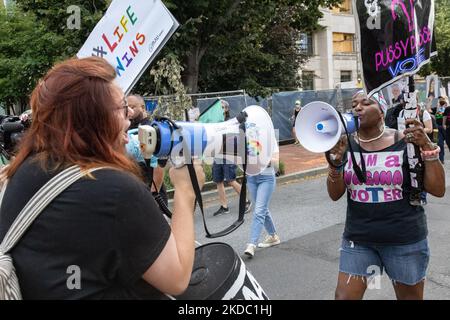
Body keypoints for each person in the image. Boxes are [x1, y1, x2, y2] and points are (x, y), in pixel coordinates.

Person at [0, 57, 205, 299]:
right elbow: (177, 277)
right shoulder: (114, 192)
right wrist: (185, 190)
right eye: (121, 106)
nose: (129, 114)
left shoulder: (22, 171)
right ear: (93, 119)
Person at [326, 90, 445, 300]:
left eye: (365, 103)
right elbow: (335, 195)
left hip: (404, 240)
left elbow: (438, 190)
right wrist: (335, 164)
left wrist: (426, 145)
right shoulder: (346, 144)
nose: (357, 108)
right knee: (343, 297)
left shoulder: (405, 141)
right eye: (354, 105)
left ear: (381, 110)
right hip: (359, 239)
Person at [244, 134, 281, 258]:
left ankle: (251, 244)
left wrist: (263, 159)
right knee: (262, 209)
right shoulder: (247, 139)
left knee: (259, 210)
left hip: (266, 178)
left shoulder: (270, 140)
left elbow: (276, 161)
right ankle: (273, 236)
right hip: (251, 178)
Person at [212, 100, 251, 216]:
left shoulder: (232, 122)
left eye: (223, 107)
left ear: (227, 109)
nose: (220, 110)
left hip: (229, 153)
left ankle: (246, 201)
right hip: (217, 153)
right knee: (218, 181)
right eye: (219, 108)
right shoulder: (215, 122)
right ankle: (224, 206)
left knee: (230, 180)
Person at [127, 94, 168, 206]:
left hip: (152, 193)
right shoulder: (127, 129)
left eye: (132, 107)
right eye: (127, 107)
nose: (129, 111)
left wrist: (153, 195)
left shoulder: (152, 128)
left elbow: (160, 166)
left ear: (143, 107)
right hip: (135, 192)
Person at [431, 96, 447, 164]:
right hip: (438, 127)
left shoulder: (447, 108)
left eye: (442, 100)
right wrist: (430, 101)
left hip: (446, 127)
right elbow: (428, 110)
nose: (440, 101)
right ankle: (441, 159)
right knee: (440, 143)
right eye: (439, 100)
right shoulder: (436, 108)